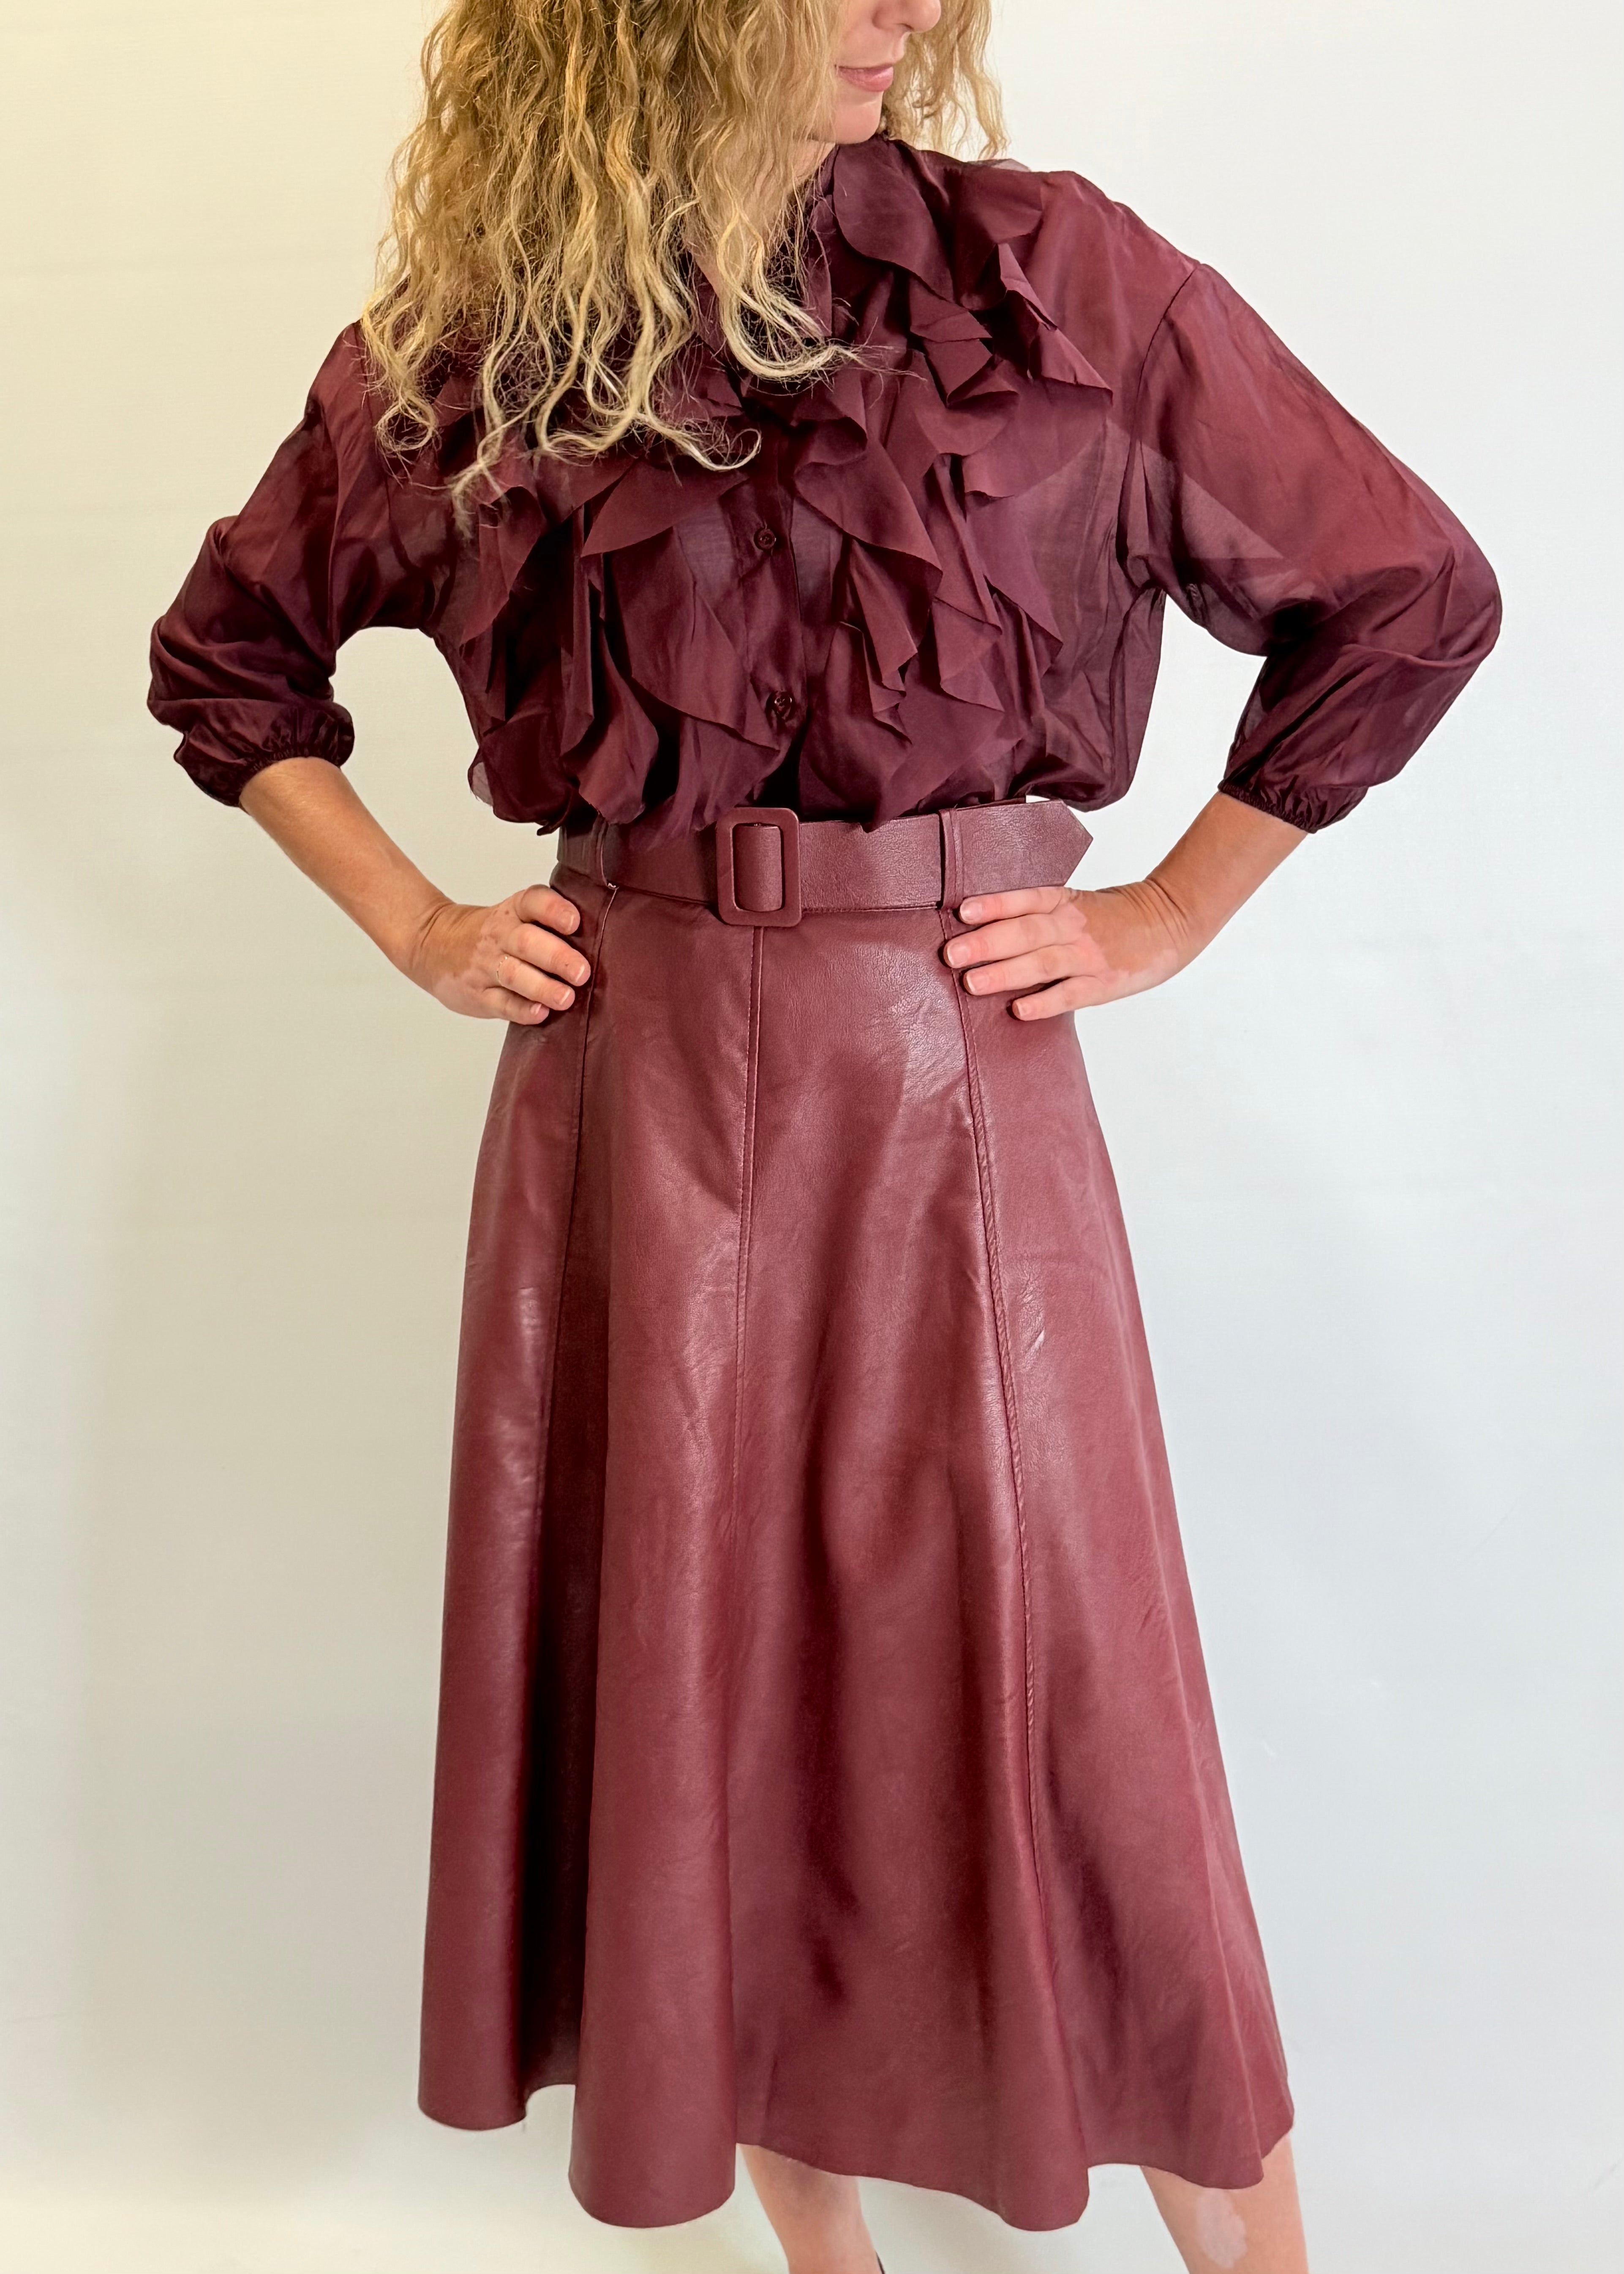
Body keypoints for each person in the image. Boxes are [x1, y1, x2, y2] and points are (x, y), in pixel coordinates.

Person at [147, 1, 1501, 2268]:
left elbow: (1405, 595)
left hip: (952, 1083)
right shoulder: (486, 339)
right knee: (711, 1709)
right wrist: (415, 927)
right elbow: (232, 664)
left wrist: (1170, 902)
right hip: (634, 1088)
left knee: (1089, 1744)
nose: (889, 16)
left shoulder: (1054, 281)